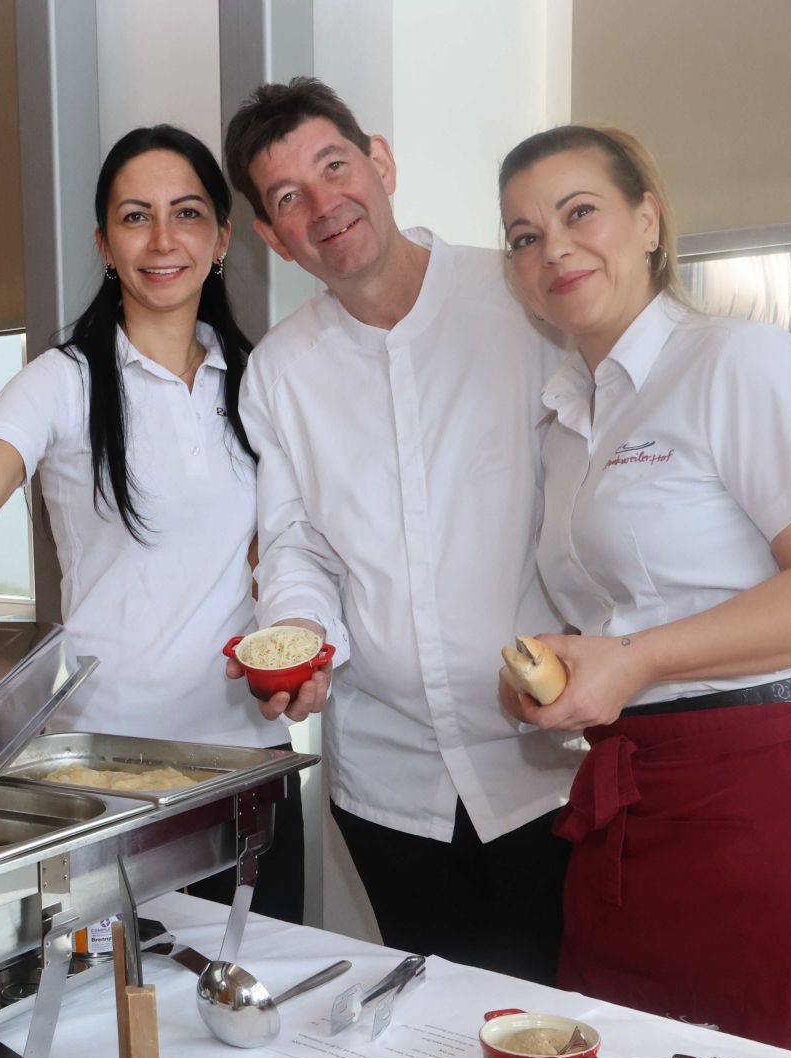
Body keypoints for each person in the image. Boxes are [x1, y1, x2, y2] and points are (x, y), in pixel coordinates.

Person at [495, 123, 791, 1058]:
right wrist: (564, 677)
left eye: (578, 212)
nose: (552, 247)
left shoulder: (738, 360)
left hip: (781, 800)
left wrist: (635, 661)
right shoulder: (568, 419)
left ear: (648, 220)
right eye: (523, 235)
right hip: (635, 798)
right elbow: (625, 615)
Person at [0, 124, 303, 921]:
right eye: (135, 217)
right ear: (103, 242)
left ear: (223, 236)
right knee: (109, 1015)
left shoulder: (262, 380)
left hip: (245, 764)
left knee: (249, 1000)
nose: (162, 240)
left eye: (187, 213)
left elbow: (293, 549)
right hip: (99, 768)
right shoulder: (59, 382)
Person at [221, 79, 578, 981]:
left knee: (572, 1042)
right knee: (445, 1051)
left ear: (379, 161)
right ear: (274, 237)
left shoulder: (523, 301)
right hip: (388, 790)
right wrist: (300, 643)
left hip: (548, 768)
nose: (322, 205)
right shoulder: (280, 371)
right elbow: (294, 542)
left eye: (333, 167)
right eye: (288, 198)